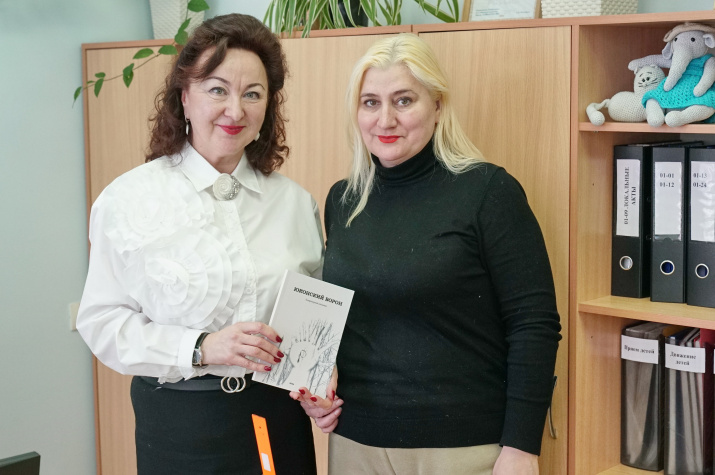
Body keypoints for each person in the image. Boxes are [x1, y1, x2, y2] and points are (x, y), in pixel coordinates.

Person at [291, 33, 561, 475]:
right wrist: (317, 383)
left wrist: (521, 446)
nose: (386, 119)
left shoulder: (488, 192)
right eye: (371, 102)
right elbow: (342, 314)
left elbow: (534, 324)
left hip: (462, 447)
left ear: (437, 106)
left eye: (404, 100)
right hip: (356, 441)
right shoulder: (344, 199)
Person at [77, 14, 323, 475]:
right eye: (217, 89)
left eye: (253, 94)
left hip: (277, 418)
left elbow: (315, 316)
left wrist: (320, 381)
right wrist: (200, 347)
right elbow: (103, 323)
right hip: (179, 423)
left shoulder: (295, 203)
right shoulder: (128, 199)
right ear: (184, 97)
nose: (235, 110)